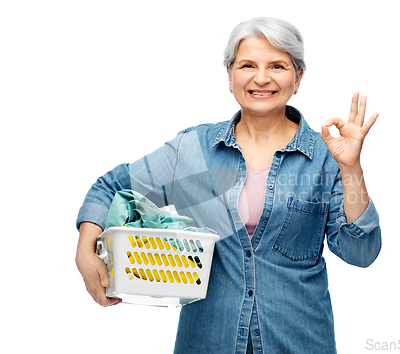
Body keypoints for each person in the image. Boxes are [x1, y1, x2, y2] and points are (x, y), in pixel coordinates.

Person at [75, 17, 381, 354]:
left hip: (299, 342)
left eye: (277, 66)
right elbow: (109, 188)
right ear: (230, 75)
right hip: (206, 342)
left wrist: (351, 167)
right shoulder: (194, 150)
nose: (261, 78)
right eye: (247, 65)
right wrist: (85, 249)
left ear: (298, 78)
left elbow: (361, 252)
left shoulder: (325, 158)